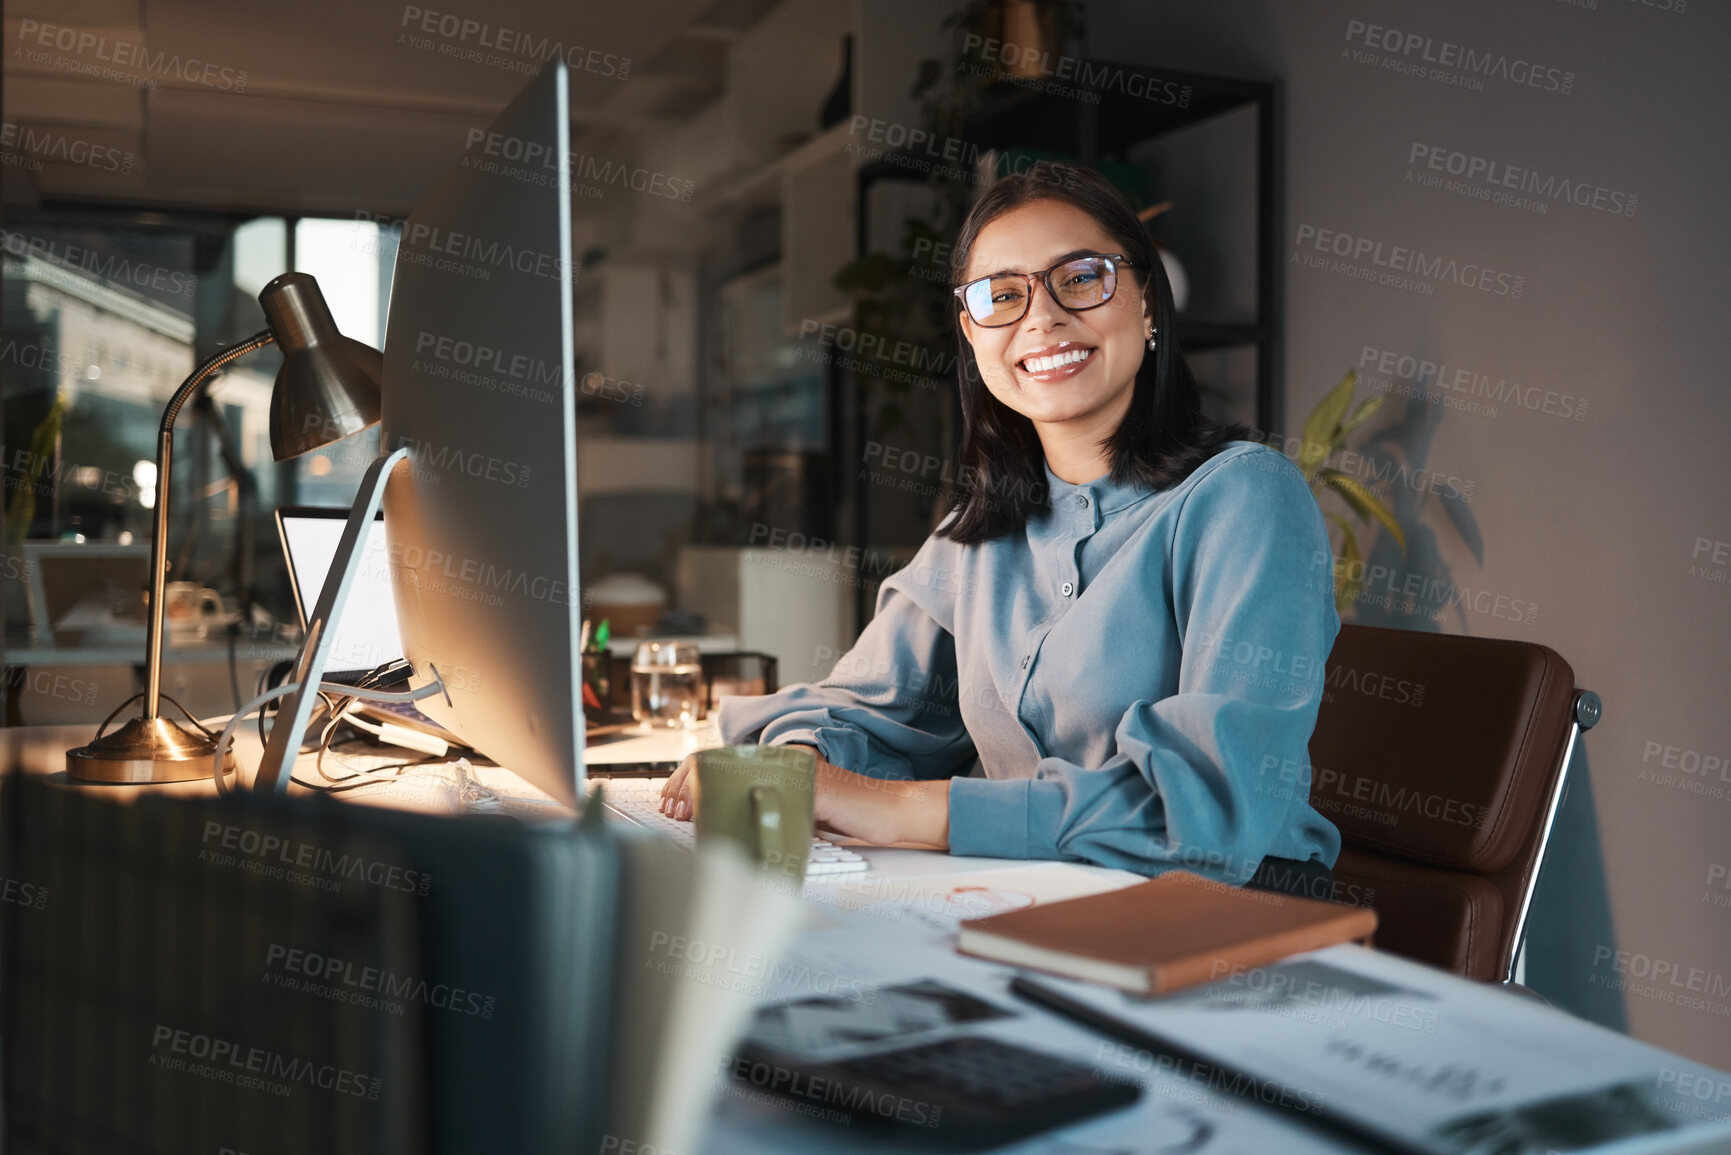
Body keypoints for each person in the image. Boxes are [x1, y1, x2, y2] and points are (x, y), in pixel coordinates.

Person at [663, 164, 1341, 886]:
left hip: (1230, 913)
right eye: (1002, 295)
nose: (1041, 318)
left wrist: (891, 807)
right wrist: (796, 764)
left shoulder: (1244, 497)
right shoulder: (978, 527)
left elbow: (1208, 814)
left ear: (1147, 303)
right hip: (1035, 891)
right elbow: (870, 705)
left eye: (1080, 278)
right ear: (972, 334)